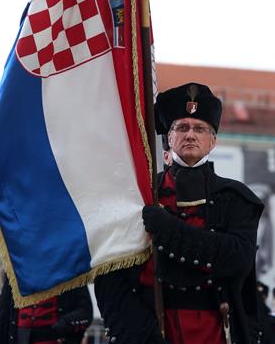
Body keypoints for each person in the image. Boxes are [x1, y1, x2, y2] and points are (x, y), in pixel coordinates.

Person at [94, 82, 264, 344]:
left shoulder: (236, 199)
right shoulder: (140, 196)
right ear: (169, 138)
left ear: (213, 141)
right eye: (181, 127)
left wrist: (167, 228)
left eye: (200, 128)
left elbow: (237, 258)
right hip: (152, 329)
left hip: (215, 331)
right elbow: (111, 275)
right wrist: (139, 334)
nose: (190, 135)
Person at [0, 274, 93, 344]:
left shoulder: (68, 269)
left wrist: (65, 323)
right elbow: (1, 320)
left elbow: (86, 312)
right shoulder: (15, 269)